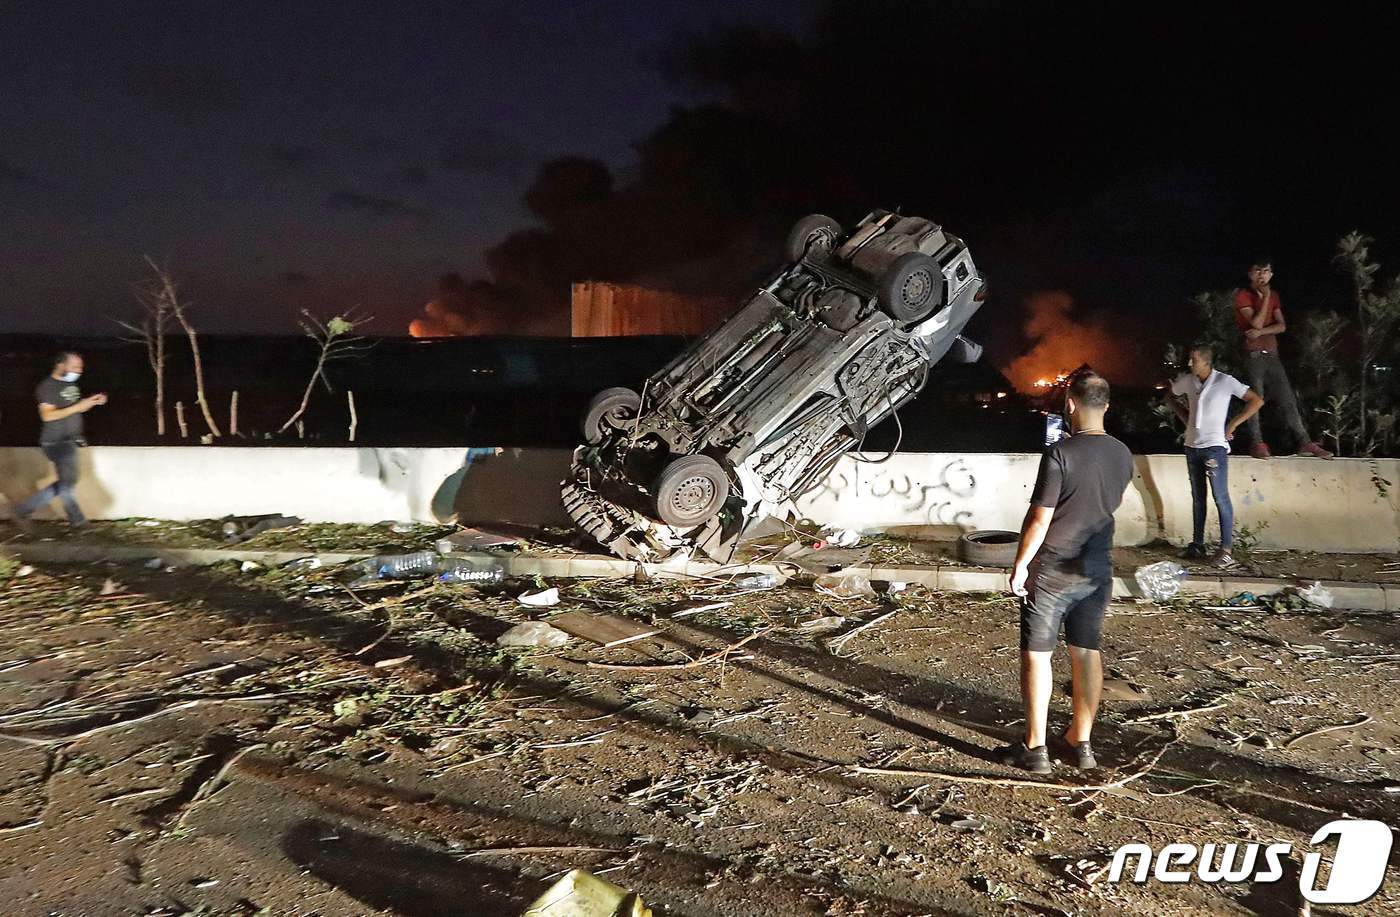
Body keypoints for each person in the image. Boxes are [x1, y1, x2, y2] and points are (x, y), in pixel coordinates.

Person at [1000, 372, 1133, 774]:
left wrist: (1021, 564)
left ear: (1071, 404)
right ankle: (1082, 742)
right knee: (1086, 651)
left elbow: (1040, 518)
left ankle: (1036, 748)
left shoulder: (1061, 453)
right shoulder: (1123, 454)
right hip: (1096, 568)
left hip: (1055, 568)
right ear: (1106, 406)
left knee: (1038, 654)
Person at [1168, 344, 1265, 568]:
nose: (1190, 363)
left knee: (1220, 496)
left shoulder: (1225, 381)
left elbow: (1256, 400)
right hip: (1192, 446)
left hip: (1214, 447)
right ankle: (1198, 544)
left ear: (1206, 362)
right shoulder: (1188, 381)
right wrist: (1186, 419)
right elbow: (1170, 396)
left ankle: (1226, 549)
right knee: (1198, 497)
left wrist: (1232, 425)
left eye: (1194, 359)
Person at [1233, 258, 1332, 459]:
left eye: (1266, 271)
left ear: (1271, 274)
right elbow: (1257, 322)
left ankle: (1304, 442)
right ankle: (1257, 443)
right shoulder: (1244, 295)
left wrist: (1261, 331)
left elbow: (1281, 326)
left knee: (1287, 399)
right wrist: (1265, 298)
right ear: (1251, 274)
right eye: (1258, 270)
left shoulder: (1275, 295)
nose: (1262, 275)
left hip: (1272, 354)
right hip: (1253, 355)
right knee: (1256, 399)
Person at [10, 352, 106, 529]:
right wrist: (79, 406)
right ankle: (78, 522)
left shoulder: (70, 384)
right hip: (56, 442)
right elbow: (48, 416)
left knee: (66, 482)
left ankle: (22, 509)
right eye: (75, 366)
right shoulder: (47, 387)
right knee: (67, 485)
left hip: (69, 441)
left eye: (81, 367)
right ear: (61, 365)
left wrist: (89, 402)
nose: (79, 371)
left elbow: (70, 409)